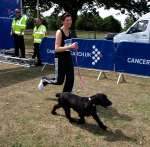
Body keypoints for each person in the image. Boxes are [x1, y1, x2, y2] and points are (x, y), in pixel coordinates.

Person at [38, 13, 78, 92]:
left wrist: (74, 47)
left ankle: (66, 95)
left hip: (67, 56)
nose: (69, 22)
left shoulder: (69, 32)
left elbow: (67, 46)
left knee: (70, 77)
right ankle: (44, 80)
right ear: (62, 21)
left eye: (70, 20)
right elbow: (56, 48)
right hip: (60, 58)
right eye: (67, 20)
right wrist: (70, 47)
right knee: (59, 81)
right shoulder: (59, 32)